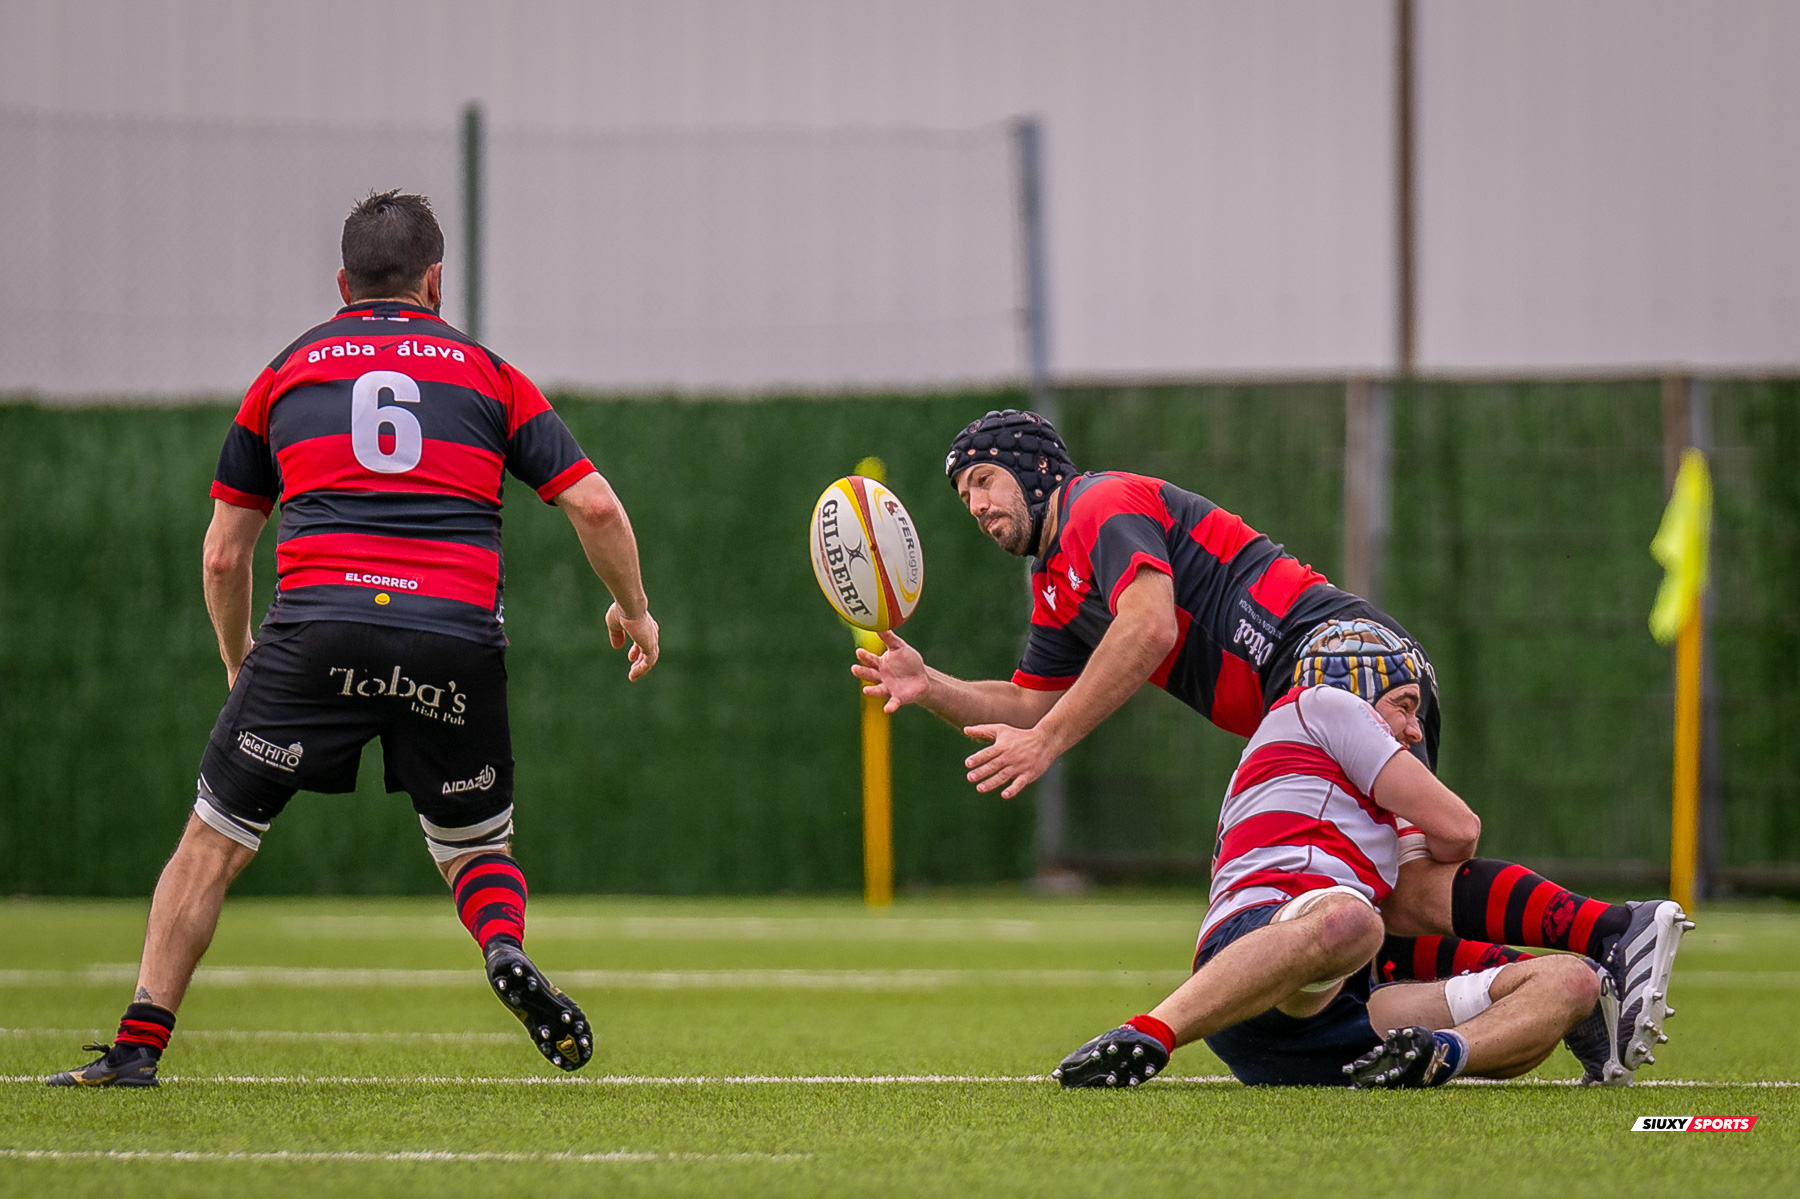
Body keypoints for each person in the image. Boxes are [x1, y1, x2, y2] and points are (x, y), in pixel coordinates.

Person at [855, 409, 1689, 1080]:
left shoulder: (1097, 505)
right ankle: (1579, 975)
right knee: (1391, 894)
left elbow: (1144, 631)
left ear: (1037, 468)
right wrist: (933, 687)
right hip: (1322, 670)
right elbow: (1030, 700)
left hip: (1333, 655)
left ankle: (1611, 930)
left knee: (1380, 899)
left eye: (983, 479)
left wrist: (1048, 746)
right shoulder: (1058, 582)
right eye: (965, 494)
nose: (976, 504)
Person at [48, 190, 658, 1088]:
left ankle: (139, 1044)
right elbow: (595, 503)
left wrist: (238, 659)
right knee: (476, 847)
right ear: (435, 281)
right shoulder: (488, 374)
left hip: (317, 629)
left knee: (212, 840)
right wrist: (635, 610)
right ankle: (501, 946)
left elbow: (223, 555)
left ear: (342, 281)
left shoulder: (286, 373)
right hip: (451, 634)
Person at [1052, 623, 1627, 1089]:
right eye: (1404, 705)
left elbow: (1417, 905)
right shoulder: (1322, 703)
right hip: (1261, 954)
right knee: (1354, 920)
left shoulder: (1342, 783)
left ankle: (1437, 1057)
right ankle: (1148, 1032)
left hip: (1335, 1019)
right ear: (1357, 686)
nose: (1413, 729)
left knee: (1572, 983)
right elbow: (1459, 831)